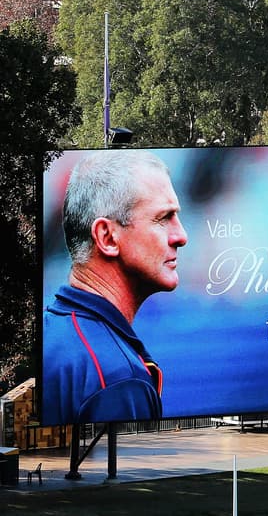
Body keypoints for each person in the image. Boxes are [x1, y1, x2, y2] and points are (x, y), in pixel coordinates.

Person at [43, 151, 188, 425]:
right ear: (107, 237)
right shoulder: (118, 378)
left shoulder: (47, 332)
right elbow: (122, 470)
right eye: (163, 218)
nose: (181, 236)